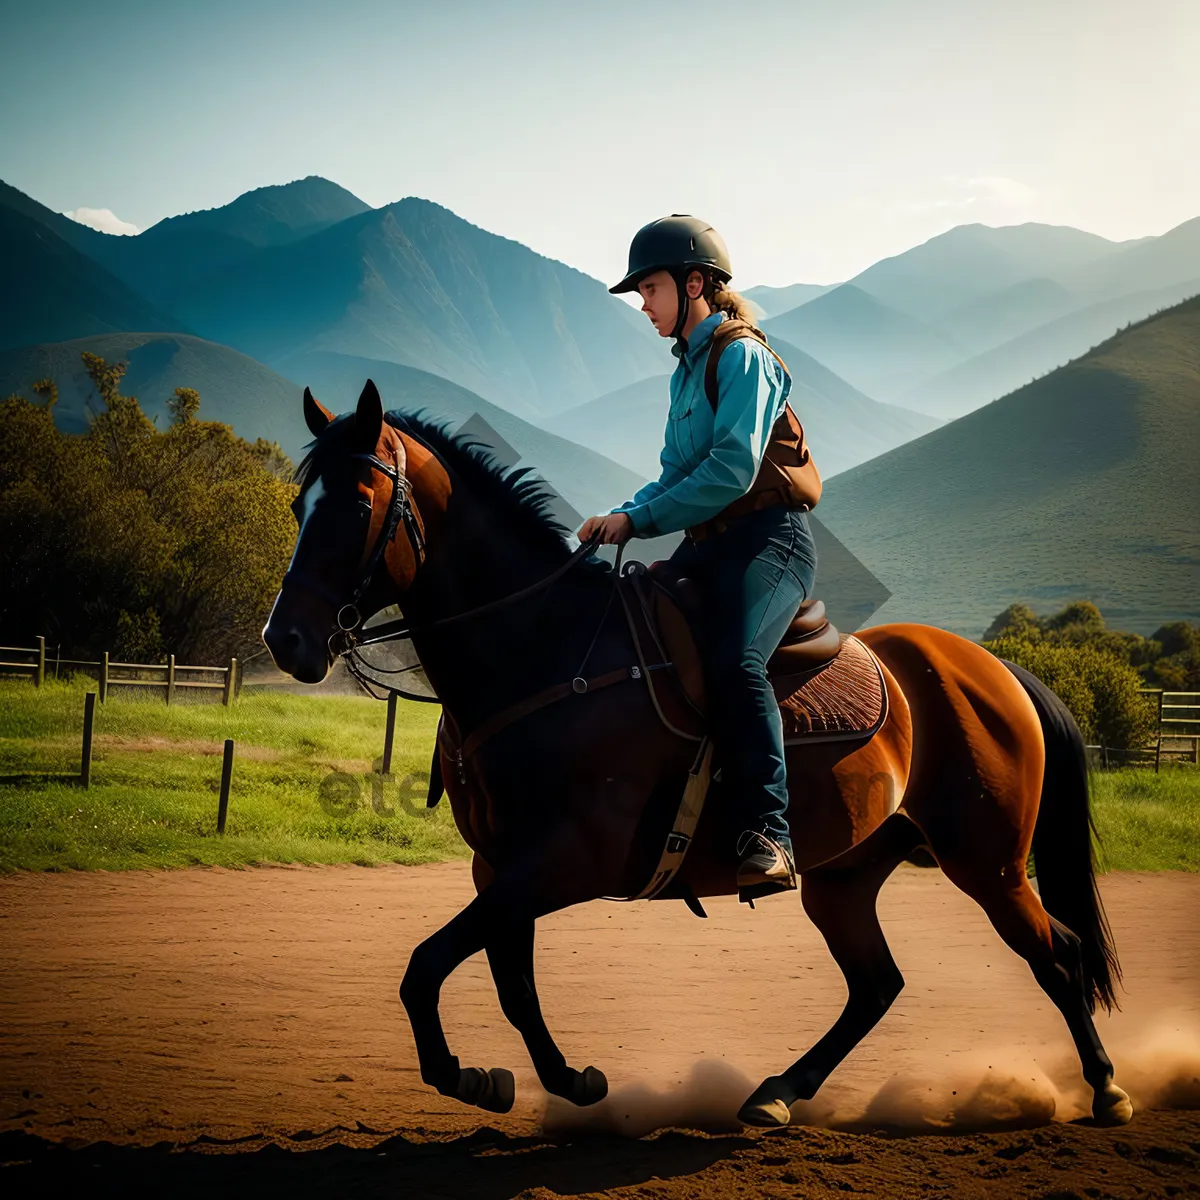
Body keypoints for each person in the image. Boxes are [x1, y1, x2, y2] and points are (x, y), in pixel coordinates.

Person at [577, 214, 818, 899]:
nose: (643, 305)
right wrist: (620, 516)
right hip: (707, 544)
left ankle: (770, 834)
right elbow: (672, 475)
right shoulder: (684, 375)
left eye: (649, 289)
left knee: (738, 664)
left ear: (694, 284)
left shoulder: (742, 357)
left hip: (771, 542)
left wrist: (641, 518)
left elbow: (731, 472)